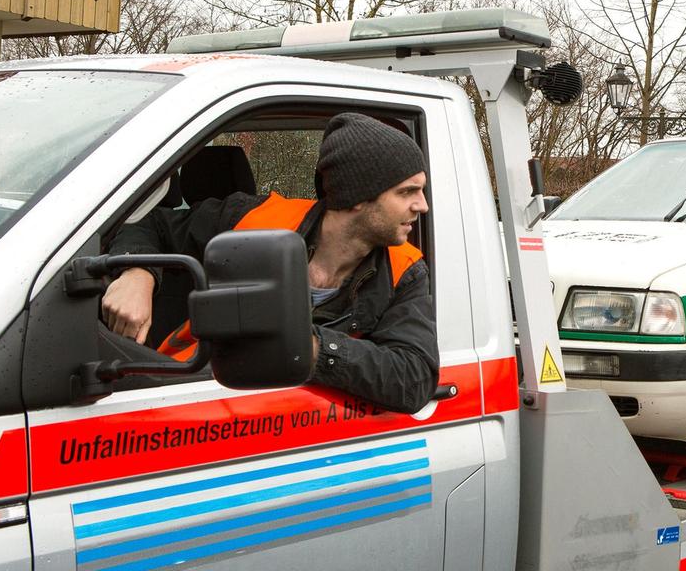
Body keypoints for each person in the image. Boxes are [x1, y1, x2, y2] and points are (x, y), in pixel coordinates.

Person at [101, 113, 439, 414]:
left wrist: (312, 347)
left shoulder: (405, 269)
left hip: (275, 426)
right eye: (407, 192)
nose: (422, 205)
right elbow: (151, 224)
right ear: (357, 197)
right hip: (174, 403)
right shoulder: (253, 219)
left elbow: (414, 378)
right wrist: (137, 272)